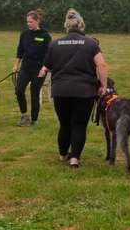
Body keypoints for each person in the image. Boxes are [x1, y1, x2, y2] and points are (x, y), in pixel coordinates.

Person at [38, 9, 108, 170]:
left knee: (64, 124)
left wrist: (41, 73)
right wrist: (103, 85)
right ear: (81, 25)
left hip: (61, 90)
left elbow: (46, 67)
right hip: (84, 91)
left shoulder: (55, 43)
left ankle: (63, 154)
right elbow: (102, 65)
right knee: (79, 124)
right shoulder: (91, 43)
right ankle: (74, 159)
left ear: (66, 26)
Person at [13, 9, 52, 126]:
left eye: (30, 22)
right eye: (27, 22)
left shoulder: (45, 36)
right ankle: (24, 116)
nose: (28, 24)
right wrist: (16, 65)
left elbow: (49, 54)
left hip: (39, 70)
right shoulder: (24, 34)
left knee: (34, 94)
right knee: (19, 90)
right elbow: (20, 51)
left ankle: (34, 120)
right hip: (25, 68)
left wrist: (44, 68)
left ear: (37, 21)